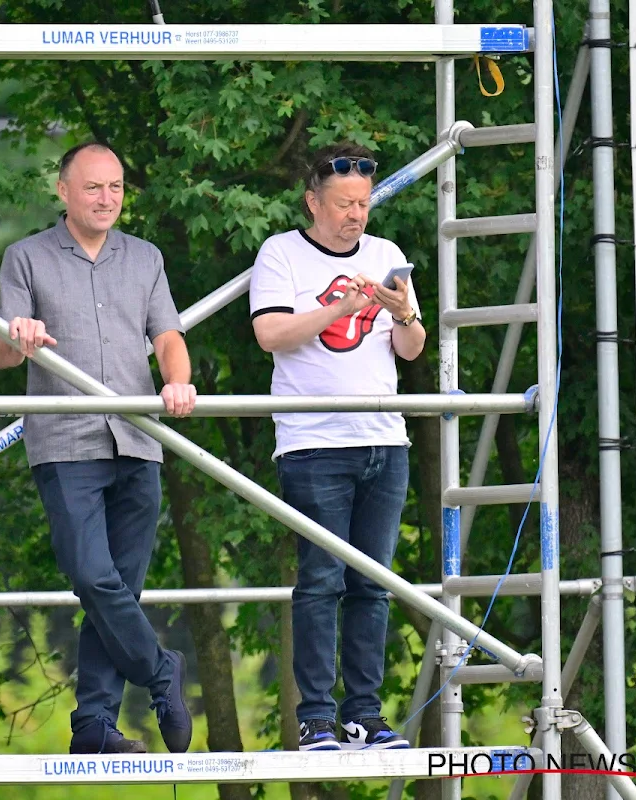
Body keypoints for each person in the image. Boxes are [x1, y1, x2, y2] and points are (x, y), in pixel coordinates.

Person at [0, 142, 196, 755]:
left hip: (138, 437)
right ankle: (161, 672)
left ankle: (94, 727)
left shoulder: (146, 257)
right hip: (65, 440)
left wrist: (177, 379)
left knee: (120, 591)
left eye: (116, 187)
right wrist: (16, 336)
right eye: (93, 188)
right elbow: (1, 354)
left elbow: (168, 336)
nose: (107, 199)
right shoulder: (25, 258)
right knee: (92, 576)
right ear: (63, 191)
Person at [249, 142, 426, 752]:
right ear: (312, 202)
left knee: (372, 583)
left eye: (363, 203)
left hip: (384, 438)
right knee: (321, 579)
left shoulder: (386, 254)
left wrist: (402, 313)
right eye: (344, 204)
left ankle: (364, 715)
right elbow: (270, 333)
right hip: (313, 441)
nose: (357, 215)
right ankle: (316, 717)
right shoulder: (282, 252)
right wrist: (343, 307)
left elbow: (412, 349)